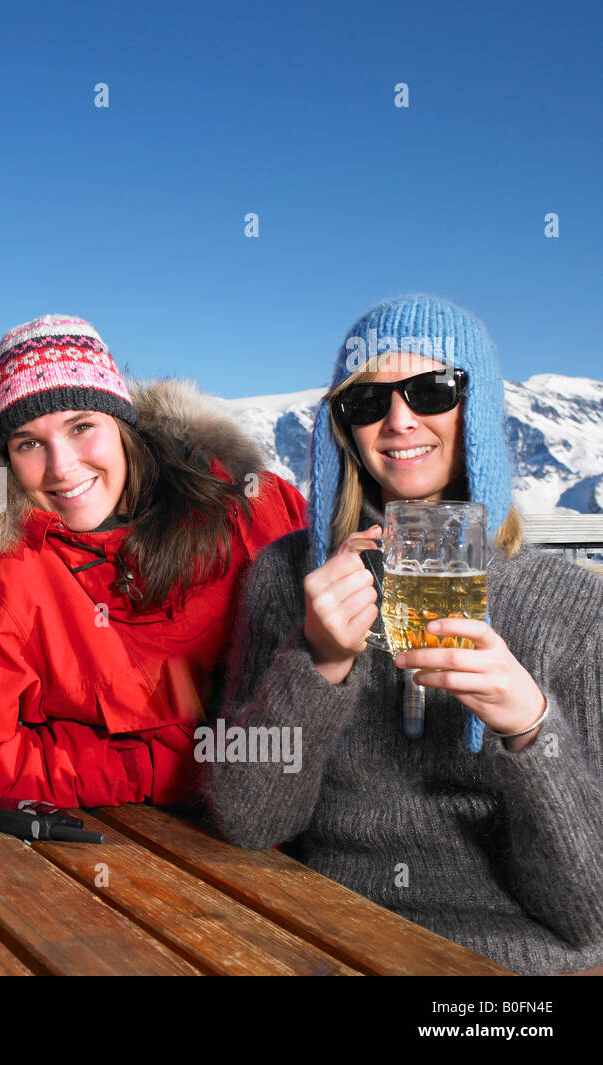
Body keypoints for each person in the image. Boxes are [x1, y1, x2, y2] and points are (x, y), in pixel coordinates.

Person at [205, 294, 603, 976]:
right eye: (368, 402)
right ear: (343, 428)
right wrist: (318, 662)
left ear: (473, 407)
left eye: (430, 390)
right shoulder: (287, 574)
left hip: (516, 965)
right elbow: (248, 821)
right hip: (327, 934)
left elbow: (588, 905)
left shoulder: (574, 606)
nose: (397, 420)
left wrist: (533, 728)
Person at [0, 315, 306, 807]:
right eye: (29, 443)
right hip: (152, 849)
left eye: (81, 426)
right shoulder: (10, 576)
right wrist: (159, 767)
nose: (61, 466)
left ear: (123, 426)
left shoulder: (254, 507)